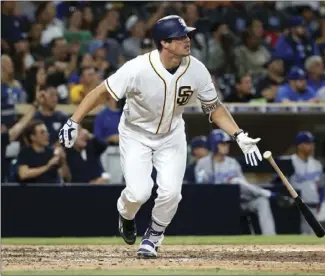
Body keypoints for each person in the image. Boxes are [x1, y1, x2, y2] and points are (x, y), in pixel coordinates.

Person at [59, 15, 262, 258]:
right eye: (181, 36)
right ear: (164, 43)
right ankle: (125, 213)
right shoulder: (137, 68)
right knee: (139, 192)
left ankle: (153, 237)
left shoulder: (196, 69)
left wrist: (238, 135)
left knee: (172, 193)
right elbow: (101, 93)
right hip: (135, 132)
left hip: (171, 134)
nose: (188, 40)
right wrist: (74, 120)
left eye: (187, 35)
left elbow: (214, 107)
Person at [195, 129, 292, 235]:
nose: (226, 146)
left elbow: (244, 185)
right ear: (214, 145)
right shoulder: (203, 164)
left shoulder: (232, 163)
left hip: (237, 202)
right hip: (216, 204)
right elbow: (201, 189)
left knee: (261, 201)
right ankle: (271, 195)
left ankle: (270, 238)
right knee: (234, 181)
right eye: (223, 143)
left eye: (227, 143)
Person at [289, 131, 325, 234]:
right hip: (295, 209)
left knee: (313, 240)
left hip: (313, 207)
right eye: (308, 143)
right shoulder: (289, 162)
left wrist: (320, 203)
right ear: (300, 145)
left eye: (312, 143)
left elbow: (321, 187)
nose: (312, 146)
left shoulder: (317, 164)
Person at [17, 120, 70, 184]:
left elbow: (66, 177)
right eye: (42, 132)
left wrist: (63, 161)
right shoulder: (25, 152)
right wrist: (47, 166)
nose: (47, 135)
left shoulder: (52, 152)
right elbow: (23, 174)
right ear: (32, 137)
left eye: (46, 132)